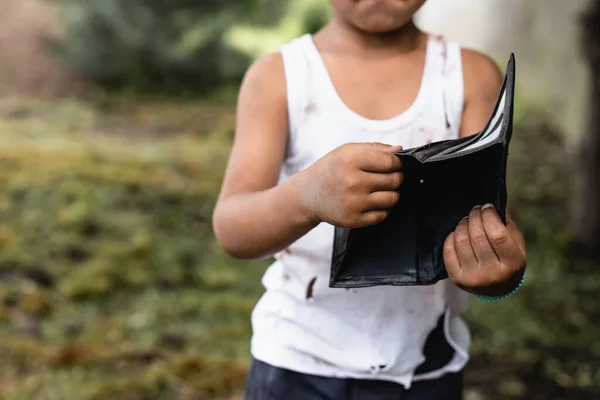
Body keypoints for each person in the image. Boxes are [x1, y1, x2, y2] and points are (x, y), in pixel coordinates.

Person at [212, 0, 528, 398]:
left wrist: (502, 277)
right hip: (297, 362)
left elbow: (496, 229)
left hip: (425, 371)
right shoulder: (279, 77)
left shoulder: (467, 76)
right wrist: (306, 197)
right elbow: (232, 227)